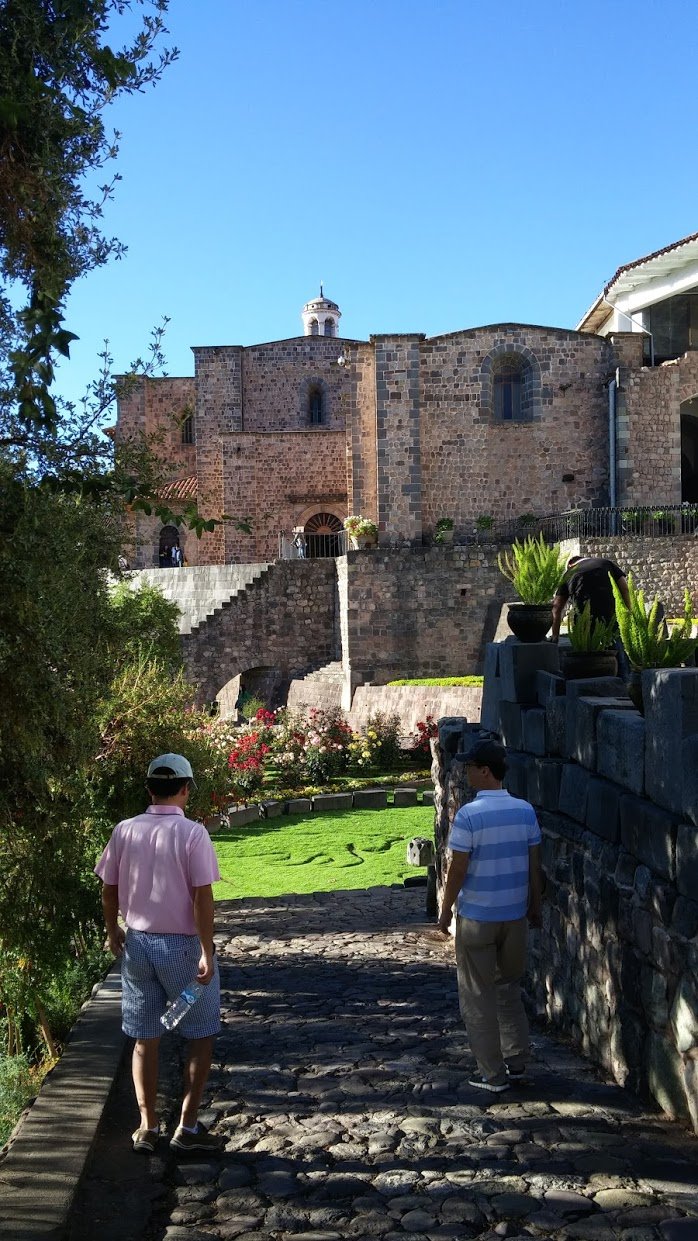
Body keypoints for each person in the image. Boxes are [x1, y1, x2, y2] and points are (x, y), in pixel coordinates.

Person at [95, 754, 224, 1154]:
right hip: (182, 946)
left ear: (149, 788)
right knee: (201, 1034)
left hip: (138, 944)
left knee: (144, 1036)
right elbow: (203, 897)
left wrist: (112, 928)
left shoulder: (124, 830)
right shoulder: (192, 834)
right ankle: (186, 1126)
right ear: (186, 788)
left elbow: (108, 887)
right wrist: (207, 948)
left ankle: (147, 1126)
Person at [437, 739, 543, 1093]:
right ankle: (517, 1061)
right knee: (508, 988)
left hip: (479, 917)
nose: (465, 772)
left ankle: (492, 1074)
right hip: (514, 916)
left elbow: (458, 869)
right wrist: (535, 907)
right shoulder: (524, 811)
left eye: (470, 767)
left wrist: (445, 909)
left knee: (476, 995)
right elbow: (534, 866)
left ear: (485, 771)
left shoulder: (470, 815)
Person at [551, 553, 630, 640]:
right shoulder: (606, 563)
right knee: (614, 641)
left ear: (570, 564)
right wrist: (629, 612)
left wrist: (555, 636)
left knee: (587, 648)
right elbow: (625, 589)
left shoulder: (569, 574)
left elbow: (556, 608)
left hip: (584, 621)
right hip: (609, 614)